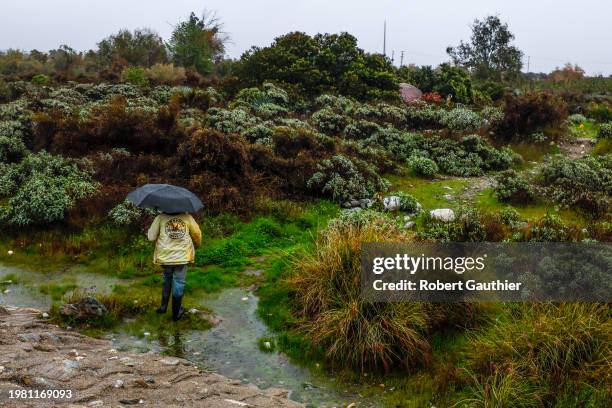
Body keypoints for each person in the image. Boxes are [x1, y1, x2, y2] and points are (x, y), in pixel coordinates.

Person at [147, 212, 202, 321]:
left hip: (165, 257)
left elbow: (151, 237)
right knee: (179, 282)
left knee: (167, 279)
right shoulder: (187, 217)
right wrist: (198, 244)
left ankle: (163, 308)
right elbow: (196, 234)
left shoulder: (160, 217)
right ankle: (176, 313)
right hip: (182, 256)